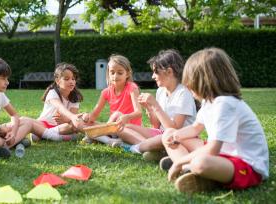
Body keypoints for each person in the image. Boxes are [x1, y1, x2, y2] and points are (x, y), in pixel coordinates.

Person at [163, 47, 269, 194]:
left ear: (203, 81)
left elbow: (212, 149)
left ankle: (186, 166)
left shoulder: (225, 103)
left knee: (201, 163)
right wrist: (175, 136)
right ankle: (189, 170)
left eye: (190, 81)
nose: (186, 86)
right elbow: (195, 128)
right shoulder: (208, 102)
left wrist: (181, 161)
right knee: (169, 132)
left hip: (247, 166)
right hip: (223, 155)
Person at [126, 50, 198, 161]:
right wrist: (149, 108)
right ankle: (156, 149)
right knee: (126, 127)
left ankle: (140, 148)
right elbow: (156, 125)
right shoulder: (161, 91)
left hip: (179, 136)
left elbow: (174, 129)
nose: (153, 76)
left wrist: (155, 105)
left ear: (169, 72)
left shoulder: (183, 93)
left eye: (156, 72)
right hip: (161, 133)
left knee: (163, 137)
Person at [82, 54, 143, 145]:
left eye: (120, 73)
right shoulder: (106, 92)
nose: (115, 76)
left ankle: (99, 136)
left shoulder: (132, 88)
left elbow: (139, 113)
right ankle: (109, 139)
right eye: (112, 72)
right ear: (108, 74)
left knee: (117, 114)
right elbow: (94, 115)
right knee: (85, 124)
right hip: (113, 128)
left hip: (130, 128)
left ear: (128, 74)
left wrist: (126, 117)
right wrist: (86, 117)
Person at [29, 62, 86, 142]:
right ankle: (57, 137)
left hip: (61, 127)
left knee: (74, 126)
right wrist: (72, 117)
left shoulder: (75, 97)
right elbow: (60, 107)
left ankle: (47, 135)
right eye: (67, 79)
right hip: (44, 124)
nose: (71, 81)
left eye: (73, 79)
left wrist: (68, 119)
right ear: (57, 81)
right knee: (34, 137)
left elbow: (72, 119)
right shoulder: (52, 92)